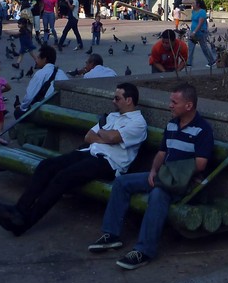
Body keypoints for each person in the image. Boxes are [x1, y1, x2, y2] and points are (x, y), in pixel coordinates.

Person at [0, 83, 148, 236]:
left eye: (117, 98)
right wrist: (105, 136)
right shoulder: (113, 116)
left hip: (109, 163)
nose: (113, 101)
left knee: (63, 177)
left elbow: (113, 136)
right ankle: (19, 210)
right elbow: (88, 136)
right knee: (47, 166)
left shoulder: (138, 123)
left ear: (129, 100)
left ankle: (24, 223)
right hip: (89, 152)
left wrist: (103, 134)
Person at [88, 83, 214, 270]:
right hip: (163, 175)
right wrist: (154, 171)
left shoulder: (202, 129)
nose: (170, 105)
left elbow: (201, 163)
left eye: (174, 102)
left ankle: (144, 250)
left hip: (182, 182)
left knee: (157, 195)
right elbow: (162, 153)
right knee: (122, 182)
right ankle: (111, 235)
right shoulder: (172, 124)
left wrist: (170, 173)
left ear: (188, 106)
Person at [22, 45, 65, 112]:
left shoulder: (40, 73)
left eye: (38, 57)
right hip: (61, 109)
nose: (36, 60)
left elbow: (29, 97)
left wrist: (22, 107)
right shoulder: (62, 73)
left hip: (46, 110)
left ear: (44, 59)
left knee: (18, 112)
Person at [188, 0, 217, 68]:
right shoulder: (193, 11)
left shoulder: (202, 12)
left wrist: (194, 32)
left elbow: (200, 23)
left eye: (193, 3)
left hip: (201, 32)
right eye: (192, 3)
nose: (192, 5)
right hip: (193, 32)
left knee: (204, 48)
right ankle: (189, 63)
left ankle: (212, 61)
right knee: (190, 47)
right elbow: (193, 22)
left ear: (198, 5)